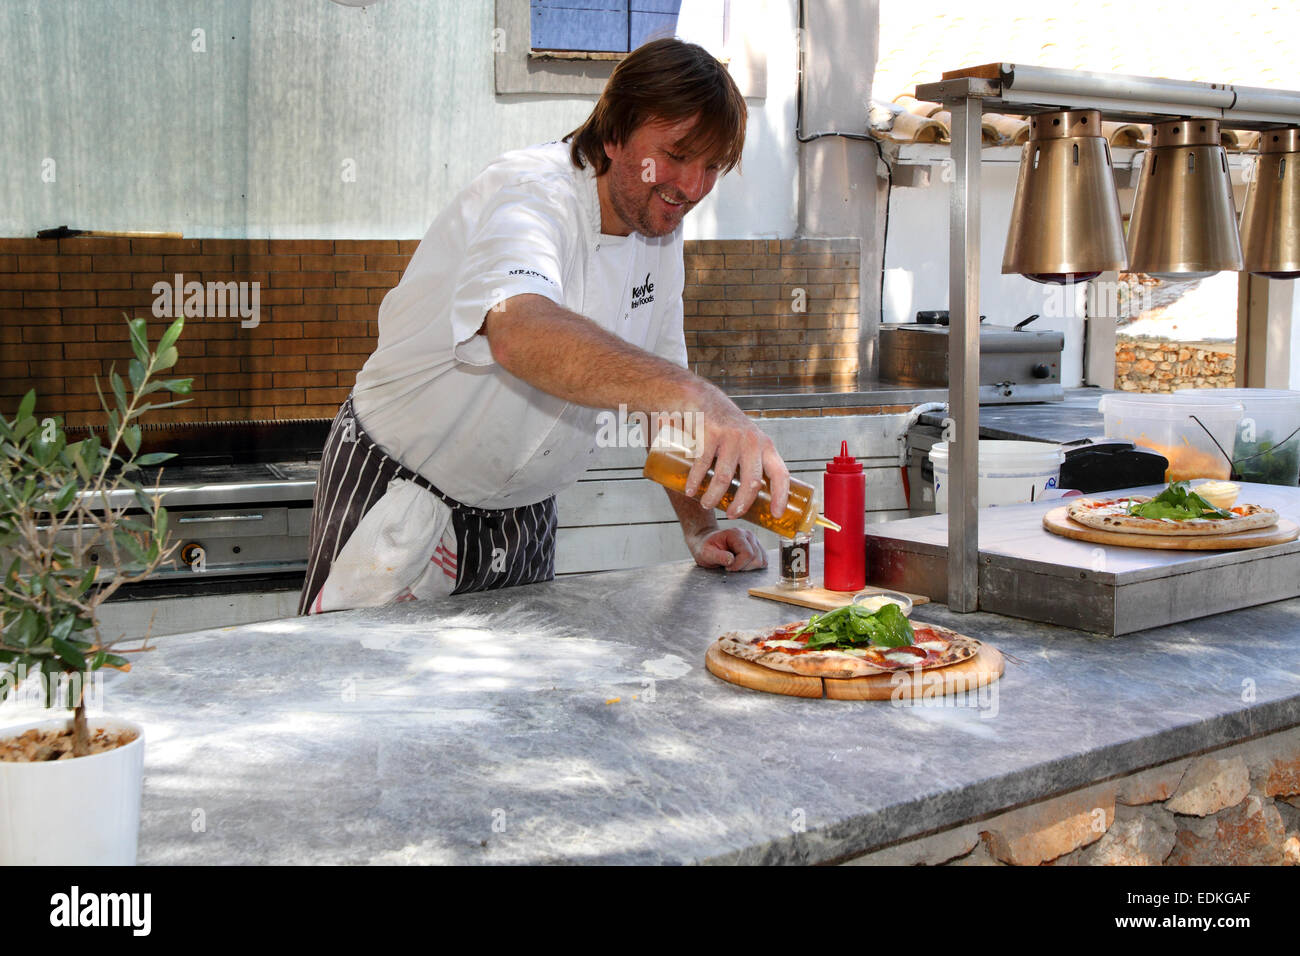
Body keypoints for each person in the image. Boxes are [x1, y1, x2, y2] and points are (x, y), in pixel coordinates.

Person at [299, 37, 791, 615]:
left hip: (523, 519)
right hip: (400, 491)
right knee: (359, 692)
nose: (692, 185)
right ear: (613, 135)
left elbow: (666, 405)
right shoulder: (531, 191)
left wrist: (700, 530)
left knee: (518, 704)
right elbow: (518, 330)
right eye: (677, 154)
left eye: (712, 166)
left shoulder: (661, 231)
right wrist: (699, 396)